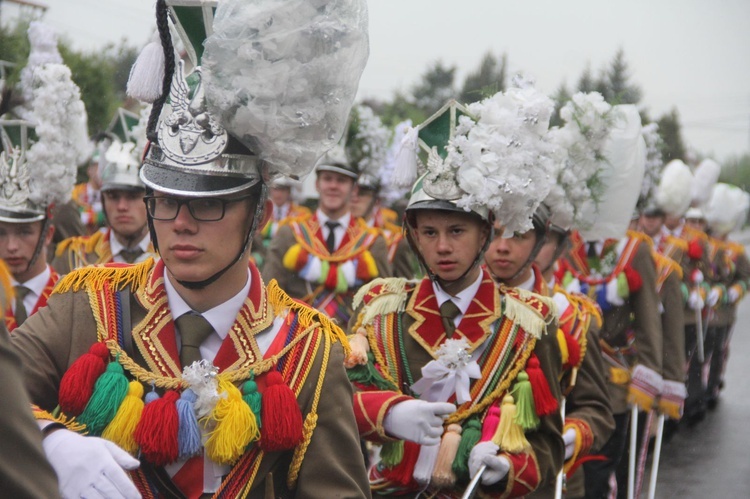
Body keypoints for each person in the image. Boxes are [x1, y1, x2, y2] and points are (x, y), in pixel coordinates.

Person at [12, 1, 371, 497]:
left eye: (209, 205)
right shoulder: (87, 308)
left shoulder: (306, 350)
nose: (180, 223)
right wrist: (49, 440)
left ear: (259, 214)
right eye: (165, 200)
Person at [347, 91, 564, 497]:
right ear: (414, 236)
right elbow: (336, 408)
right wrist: (389, 415)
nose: (443, 247)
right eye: (429, 232)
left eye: (457, 231)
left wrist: (507, 469)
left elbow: (547, 445)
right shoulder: (380, 309)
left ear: (485, 233)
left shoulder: (530, 322)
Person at [262, 143, 391, 326]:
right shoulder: (290, 234)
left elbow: (382, 304)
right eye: (328, 179)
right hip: (296, 338)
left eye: (341, 181)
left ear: (354, 190)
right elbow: (270, 294)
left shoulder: (373, 242)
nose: (333, 186)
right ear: (317, 185)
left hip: (350, 345)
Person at [0, 259, 60, 498]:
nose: (12, 246)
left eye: (24, 232)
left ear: (47, 235)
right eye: (2, 234)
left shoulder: (70, 289)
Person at [52, 136, 154, 274]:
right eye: (113, 196)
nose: (122, 206)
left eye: (133, 196)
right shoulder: (75, 257)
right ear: (103, 200)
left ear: (150, 201)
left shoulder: (169, 257)